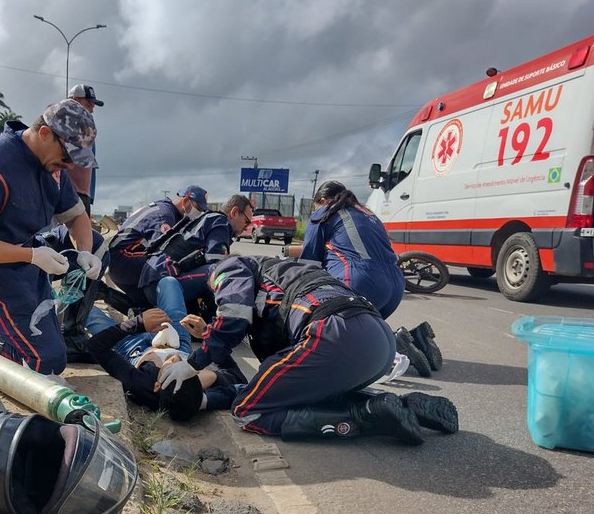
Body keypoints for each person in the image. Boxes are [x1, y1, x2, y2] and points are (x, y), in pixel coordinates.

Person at [159, 256, 458, 443]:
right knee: (303, 392)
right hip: (378, 339)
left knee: (248, 411)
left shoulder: (228, 267)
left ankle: (364, 419)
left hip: (332, 333)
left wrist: (193, 363)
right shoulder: (284, 270)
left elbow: (234, 315)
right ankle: (397, 406)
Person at [0, 99, 102, 376]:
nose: (67, 167)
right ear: (44, 134)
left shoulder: (52, 167)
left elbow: (77, 217)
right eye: (66, 158)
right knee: (46, 363)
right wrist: (30, 256)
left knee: (98, 245)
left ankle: (67, 330)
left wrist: (85, 251)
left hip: (27, 254)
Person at [298, 180, 442, 376]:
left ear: (322, 200)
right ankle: (417, 340)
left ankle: (395, 347)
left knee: (328, 336)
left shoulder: (324, 213)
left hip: (360, 283)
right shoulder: (369, 214)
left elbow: (308, 265)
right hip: (395, 288)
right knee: (361, 329)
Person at [84, 307, 247, 421]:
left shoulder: (142, 384)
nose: (176, 359)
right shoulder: (191, 393)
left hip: (131, 345)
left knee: (89, 311)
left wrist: (138, 323)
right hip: (179, 341)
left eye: (173, 368)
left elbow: (96, 346)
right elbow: (239, 381)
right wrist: (207, 335)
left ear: (156, 385)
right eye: (186, 368)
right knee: (168, 282)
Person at [139, 194, 253, 307]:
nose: (246, 228)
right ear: (234, 212)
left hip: (154, 281)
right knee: (223, 271)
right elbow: (218, 266)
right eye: (246, 221)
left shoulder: (208, 219)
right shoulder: (220, 222)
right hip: (164, 282)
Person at [106, 185, 210, 304]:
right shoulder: (165, 216)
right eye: (198, 209)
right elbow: (167, 250)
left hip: (120, 261)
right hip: (122, 259)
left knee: (145, 306)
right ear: (185, 201)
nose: (199, 213)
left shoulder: (165, 209)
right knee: (171, 268)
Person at [66, 84, 103, 215]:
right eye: (88, 104)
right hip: (69, 194)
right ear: (75, 100)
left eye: (93, 104)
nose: (92, 108)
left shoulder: (87, 127)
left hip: (83, 194)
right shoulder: (66, 124)